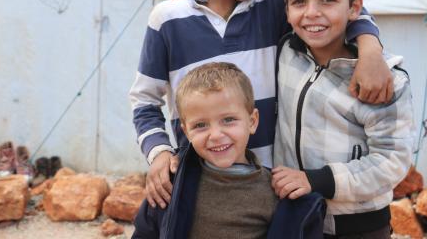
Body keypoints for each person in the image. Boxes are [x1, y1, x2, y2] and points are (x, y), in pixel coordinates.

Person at [130, 0, 391, 210]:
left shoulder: (275, 7)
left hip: (270, 186)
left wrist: (370, 49)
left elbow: (338, 10)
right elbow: (145, 100)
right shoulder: (168, 19)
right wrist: (159, 153)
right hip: (199, 184)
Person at [272, 0, 415, 238]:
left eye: (327, 0)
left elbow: (392, 160)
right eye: (299, 1)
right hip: (296, 215)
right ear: (286, 10)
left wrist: (319, 180)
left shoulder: (386, 79)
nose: (312, 12)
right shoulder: (286, 51)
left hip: (359, 225)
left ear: (353, 7)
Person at [132, 62, 325, 239]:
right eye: (200, 125)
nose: (215, 135)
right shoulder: (172, 183)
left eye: (228, 120)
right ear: (186, 131)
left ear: (252, 121)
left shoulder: (273, 192)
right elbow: (145, 233)